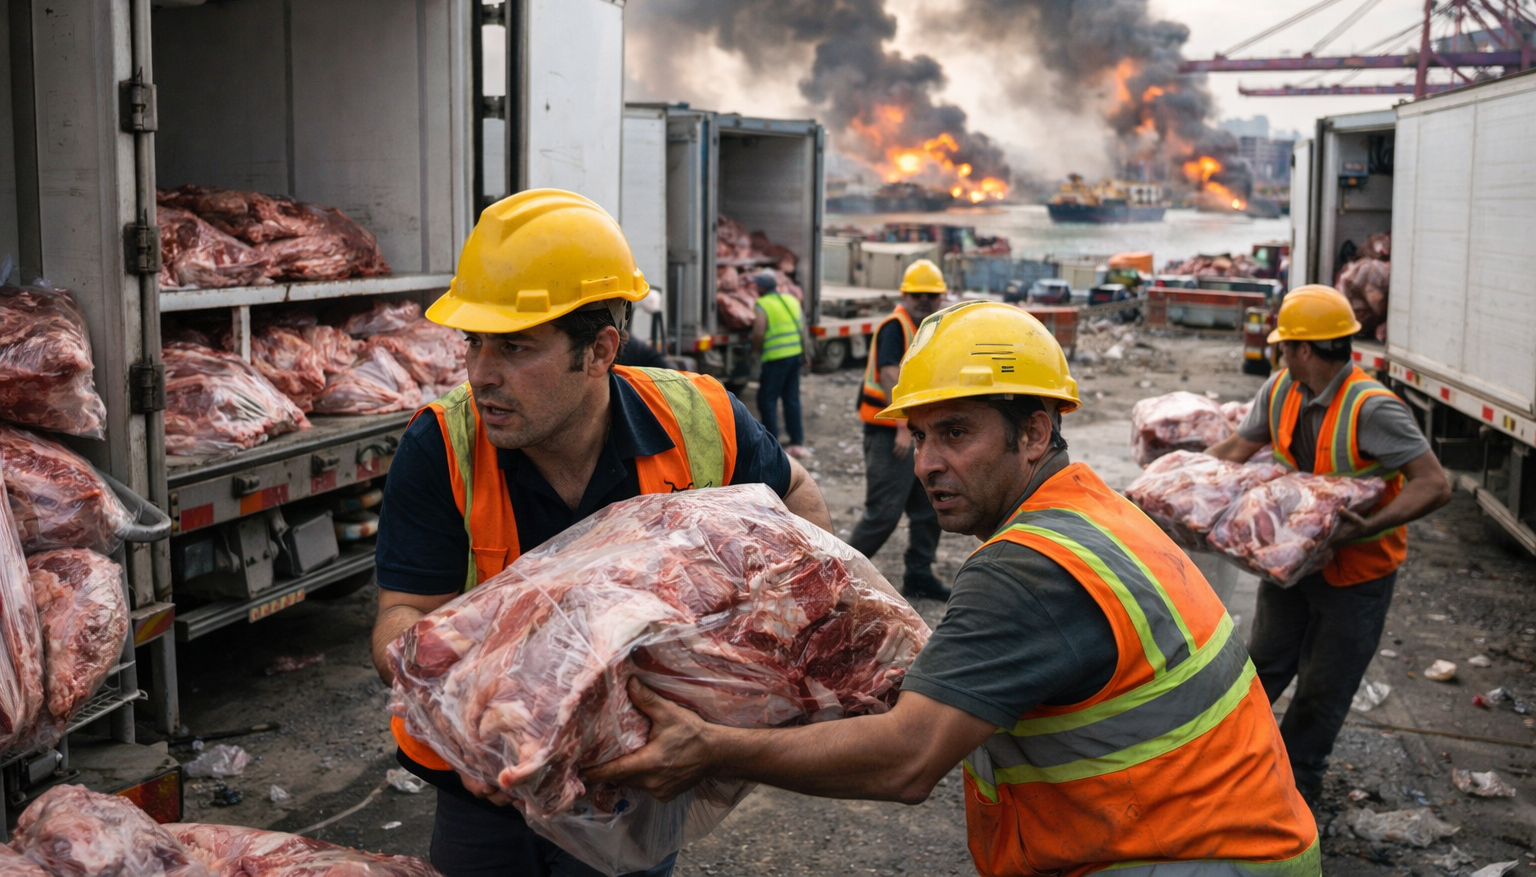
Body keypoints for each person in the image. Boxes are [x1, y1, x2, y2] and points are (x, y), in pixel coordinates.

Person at [591, 301, 1321, 877]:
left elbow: (906, 761)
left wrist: (712, 748)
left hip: (1184, 861)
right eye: (919, 435)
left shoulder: (1026, 568)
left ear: (1035, 433)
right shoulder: (1095, 510)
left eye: (957, 433)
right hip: (1239, 841)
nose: (926, 463)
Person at [369, 189, 832, 877]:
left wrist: (760, 662)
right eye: (475, 343)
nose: (480, 374)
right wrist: (464, 719)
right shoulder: (442, 446)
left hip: (636, 780)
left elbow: (798, 500)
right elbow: (402, 616)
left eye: (516, 347)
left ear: (599, 350)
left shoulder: (700, 420)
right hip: (486, 791)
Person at [1207, 283, 1451, 803]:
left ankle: (1295, 791)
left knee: (1323, 689)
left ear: (1304, 349)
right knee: (1262, 667)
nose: (1279, 354)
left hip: (1357, 577)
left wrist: (1370, 525)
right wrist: (1178, 483)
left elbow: (1435, 483)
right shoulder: (1279, 390)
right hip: (1291, 566)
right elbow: (1235, 448)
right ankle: (1228, 765)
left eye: (1284, 345)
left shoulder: (1372, 407)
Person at [848, 258, 950, 600]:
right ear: (905, 295)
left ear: (941, 298)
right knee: (883, 514)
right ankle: (835, 574)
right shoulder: (896, 326)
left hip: (921, 433)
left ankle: (919, 575)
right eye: (918, 294)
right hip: (890, 433)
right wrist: (903, 427)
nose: (924, 300)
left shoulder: (930, 329)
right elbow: (891, 375)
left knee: (928, 509)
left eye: (931, 295)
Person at [749, 270, 811, 459]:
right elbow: (803, 329)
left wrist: (755, 351)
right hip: (794, 356)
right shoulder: (791, 300)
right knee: (791, 398)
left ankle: (772, 444)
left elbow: (759, 331)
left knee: (767, 400)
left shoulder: (762, 304)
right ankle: (797, 442)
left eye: (756, 284)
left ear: (761, 287)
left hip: (775, 358)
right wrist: (806, 353)